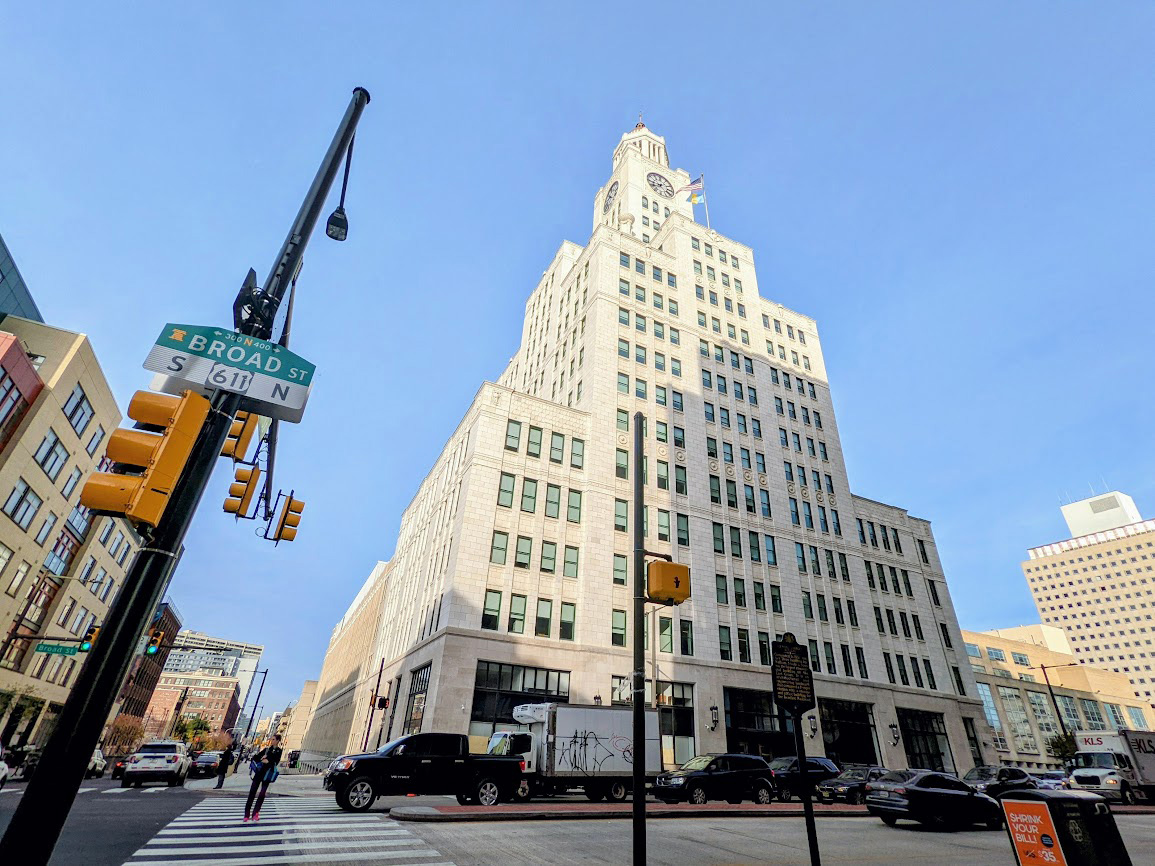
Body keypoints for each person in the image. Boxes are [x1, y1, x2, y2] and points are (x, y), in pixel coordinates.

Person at [243, 735, 283, 823]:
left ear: (277, 741)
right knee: (252, 792)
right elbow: (256, 757)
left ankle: (255, 813)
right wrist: (261, 759)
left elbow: (276, 762)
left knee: (262, 794)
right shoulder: (267, 749)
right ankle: (246, 814)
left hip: (268, 774)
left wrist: (268, 761)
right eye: (271, 739)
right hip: (259, 773)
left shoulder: (279, 751)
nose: (271, 741)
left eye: (273, 739)